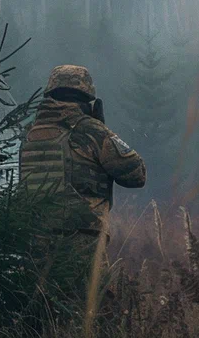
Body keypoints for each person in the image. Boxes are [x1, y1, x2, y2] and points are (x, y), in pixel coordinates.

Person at [19, 64, 146, 253]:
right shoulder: (90, 130)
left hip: (36, 240)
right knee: (87, 284)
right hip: (81, 240)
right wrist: (101, 128)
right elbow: (136, 174)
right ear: (87, 97)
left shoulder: (29, 133)